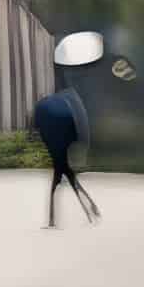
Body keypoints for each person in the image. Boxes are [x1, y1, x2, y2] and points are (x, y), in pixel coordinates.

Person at [33, 87, 101, 228]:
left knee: (61, 181)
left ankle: (54, 219)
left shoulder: (48, 116)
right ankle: (91, 208)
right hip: (60, 153)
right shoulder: (63, 112)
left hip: (58, 155)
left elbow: (41, 132)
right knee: (69, 180)